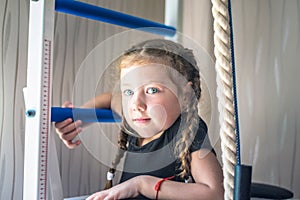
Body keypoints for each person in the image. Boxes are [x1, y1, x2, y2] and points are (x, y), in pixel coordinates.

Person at [55, 39, 224, 200]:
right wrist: (79, 119)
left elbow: (215, 193)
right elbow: (108, 98)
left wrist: (141, 184)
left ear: (185, 96)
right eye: (129, 91)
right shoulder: (135, 116)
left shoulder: (188, 129)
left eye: (152, 90)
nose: (136, 104)